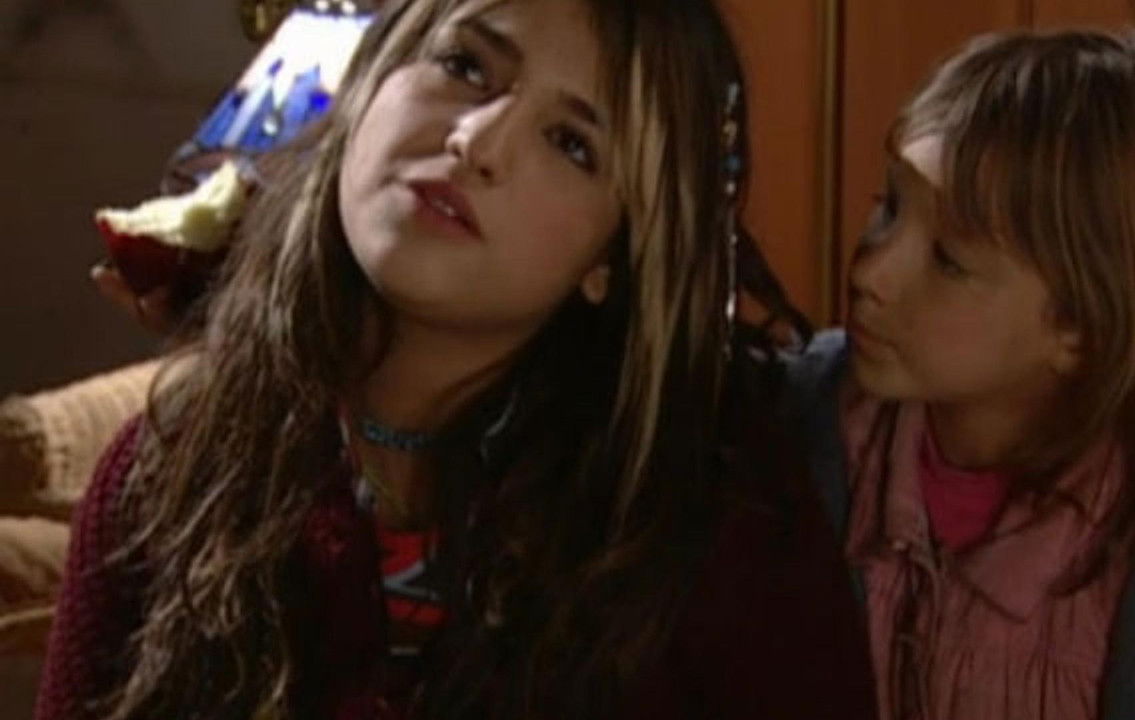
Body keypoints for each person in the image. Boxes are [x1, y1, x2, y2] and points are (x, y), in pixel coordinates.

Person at [38, 0, 875, 718]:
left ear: (609, 260)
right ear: (372, 81)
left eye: (571, 143)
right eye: (466, 66)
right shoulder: (167, 472)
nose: (478, 139)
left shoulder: (715, 524)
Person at [782, 30, 1135, 720]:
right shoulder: (788, 435)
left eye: (948, 261)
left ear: (1082, 330)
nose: (870, 271)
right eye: (890, 206)